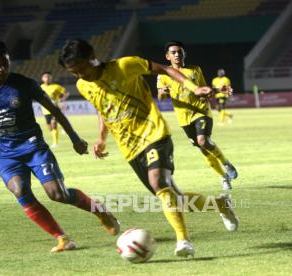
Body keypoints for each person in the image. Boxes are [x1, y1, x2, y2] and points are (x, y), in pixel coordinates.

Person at [0, 41, 119, 253]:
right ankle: (63, 238)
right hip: (5, 156)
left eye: (5, 64)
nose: (2, 69)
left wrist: (74, 138)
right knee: (19, 189)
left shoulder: (24, 84)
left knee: (58, 194)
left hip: (34, 149)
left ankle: (100, 211)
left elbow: (55, 110)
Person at [59, 39, 239, 257]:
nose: (80, 75)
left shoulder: (125, 66)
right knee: (176, 198)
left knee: (159, 183)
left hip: (154, 133)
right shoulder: (83, 85)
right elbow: (103, 110)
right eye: (74, 72)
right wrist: (101, 138)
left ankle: (183, 241)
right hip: (130, 148)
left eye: (81, 69)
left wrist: (194, 87)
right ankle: (220, 204)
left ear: (92, 58)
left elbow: (164, 69)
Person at [156, 41, 238, 191]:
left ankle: (226, 163)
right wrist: (163, 92)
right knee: (203, 149)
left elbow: (203, 89)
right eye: (173, 52)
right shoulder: (163, 75)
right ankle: (223, 177)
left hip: (201, 111)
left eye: (179, 52)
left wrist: (217, 90)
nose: (176, 54)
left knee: (203, 141)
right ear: (167, 56)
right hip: (183, 118)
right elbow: (160, 97)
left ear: (184, 53)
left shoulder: (195, 70)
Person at [40, 72, 69, 148]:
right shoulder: (40, 87)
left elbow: (66, 93)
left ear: (51, 78)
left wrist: (61, 100)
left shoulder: (56, 86)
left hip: (55, 108)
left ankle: (55, 143)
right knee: (50, 127)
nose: (47, 78)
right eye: (45, 77)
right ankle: (63, 127)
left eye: (49, 77)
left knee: (54, 124)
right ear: (42, 79)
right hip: (45, 110)